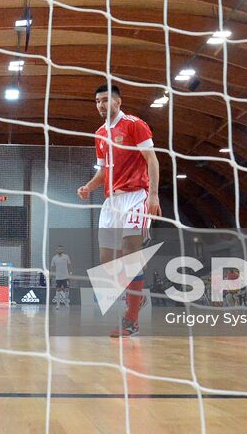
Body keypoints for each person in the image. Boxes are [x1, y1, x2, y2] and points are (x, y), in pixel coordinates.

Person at [77, 83, 161, 338]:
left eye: (105, 100)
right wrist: (89, 187)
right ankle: (136, 297)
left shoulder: (135, 124)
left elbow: (152, 159)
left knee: (130, 252)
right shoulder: (99, 134)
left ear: (118, 102)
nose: (101, 105)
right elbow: (103, 171)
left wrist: (153, 195)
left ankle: (131, 318)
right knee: (107, 260)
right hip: (111, 202)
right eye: (97, 101)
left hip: (136, 196)